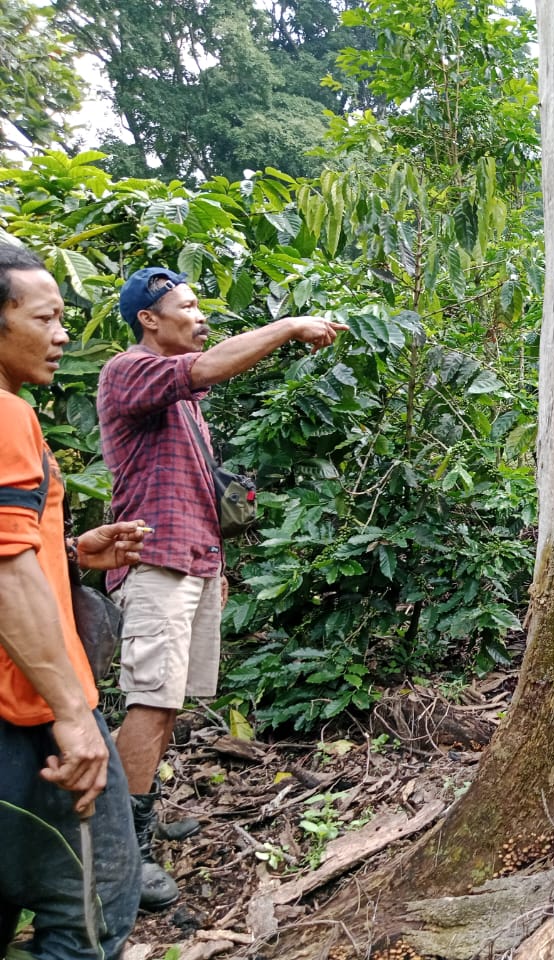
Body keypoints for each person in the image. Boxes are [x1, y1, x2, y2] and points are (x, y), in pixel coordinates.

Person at [97, 267, 346, 910]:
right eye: (187, 305)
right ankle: (117, 855)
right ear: (149, 318)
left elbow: (191, 488)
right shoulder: (130, 369)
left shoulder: (185, 403)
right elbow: (205, 367)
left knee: (169, 700)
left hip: (191, 562)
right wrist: (290, 326)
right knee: (151, 700)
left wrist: (216, 565)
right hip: (154, 563)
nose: (200, 315)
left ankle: (140, 821)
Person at [0, 243, 147, 959]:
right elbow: (3, 573)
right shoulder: (5, 416)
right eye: (47, 317)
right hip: (26, 718)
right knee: (89, 919)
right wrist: (72, 718)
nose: (62, 334)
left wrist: (69, 553)